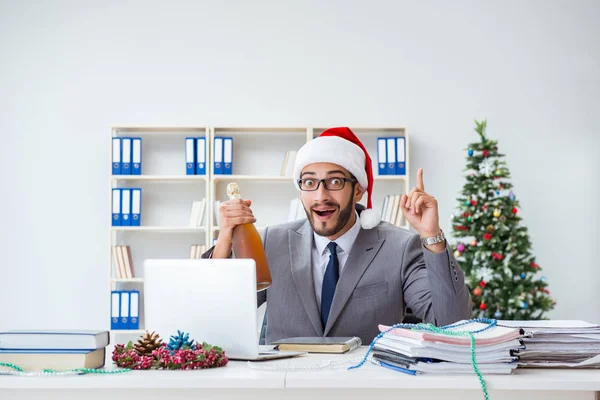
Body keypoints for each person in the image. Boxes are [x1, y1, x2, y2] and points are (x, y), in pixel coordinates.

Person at [205, 127, 472, 344]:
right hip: (285, 386)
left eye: (335, 182)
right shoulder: (270, 242)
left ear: (357, 191)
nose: (321, 196)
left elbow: (451, 324)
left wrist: (431, 236)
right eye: (309, 182)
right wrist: (224, 244)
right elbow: (218, 315)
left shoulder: (401, 247)